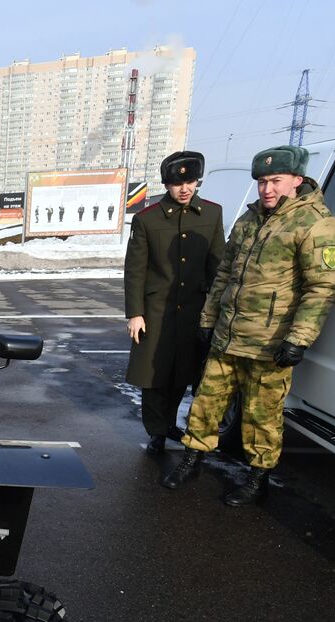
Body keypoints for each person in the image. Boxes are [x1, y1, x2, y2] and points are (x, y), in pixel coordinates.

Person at [161, 144, 335, 505]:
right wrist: (209, 318)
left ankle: (258, 476)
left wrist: (299, 339)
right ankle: (192, 459)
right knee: (205, 403)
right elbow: (226, 273)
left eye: (275, 181)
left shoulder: (317, 224)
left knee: (262, 413)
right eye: (261, 181)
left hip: (270, 342)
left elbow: (324, 287)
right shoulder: (249, 219)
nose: (267, 189)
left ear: (297, 180)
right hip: (227, 336)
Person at [124, 150, 224, 455]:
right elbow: (135, 270)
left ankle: (168, 422)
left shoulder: (211, 213)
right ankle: (155, 431)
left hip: (193, 311)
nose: (185, 189)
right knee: (153, 376)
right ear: (167, 185)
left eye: (191, 182)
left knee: (183, 372)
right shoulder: (147, 219)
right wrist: (135, 314)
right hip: (155, 312)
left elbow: (217, 264)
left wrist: (216, 310)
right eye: (178, 184)